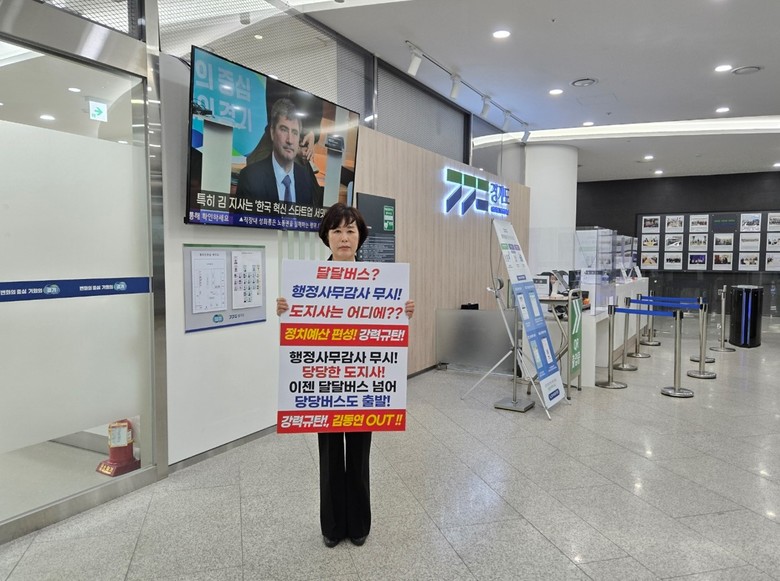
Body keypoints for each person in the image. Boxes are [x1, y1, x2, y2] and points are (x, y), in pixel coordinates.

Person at [276, 203, 415, 548]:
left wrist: (403, 311)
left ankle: (359, 524)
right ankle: (332, 526)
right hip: (325, 384)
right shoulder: (307, 280)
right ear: (326, 236)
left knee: (359, 453)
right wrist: (285, 309)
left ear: (360, 237)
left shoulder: (379, 281)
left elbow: (386, 323)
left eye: (350, 230)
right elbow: (299, 323)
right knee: (329, 455)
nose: (343, 237)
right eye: (336, 230)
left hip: (361, 384)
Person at [236, 97, 316, 205]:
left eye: (295, 133)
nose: (290, 140)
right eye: (284, 130)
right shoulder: (250, 177)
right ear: (272, 132)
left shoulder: (305, 179)